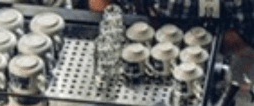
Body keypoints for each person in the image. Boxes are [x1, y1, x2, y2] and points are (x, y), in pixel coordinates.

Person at [89, 0, 254, 56]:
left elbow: (245, 33)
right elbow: (99, 3)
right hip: (128, 44)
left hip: (198, 60)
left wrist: (194, 50)